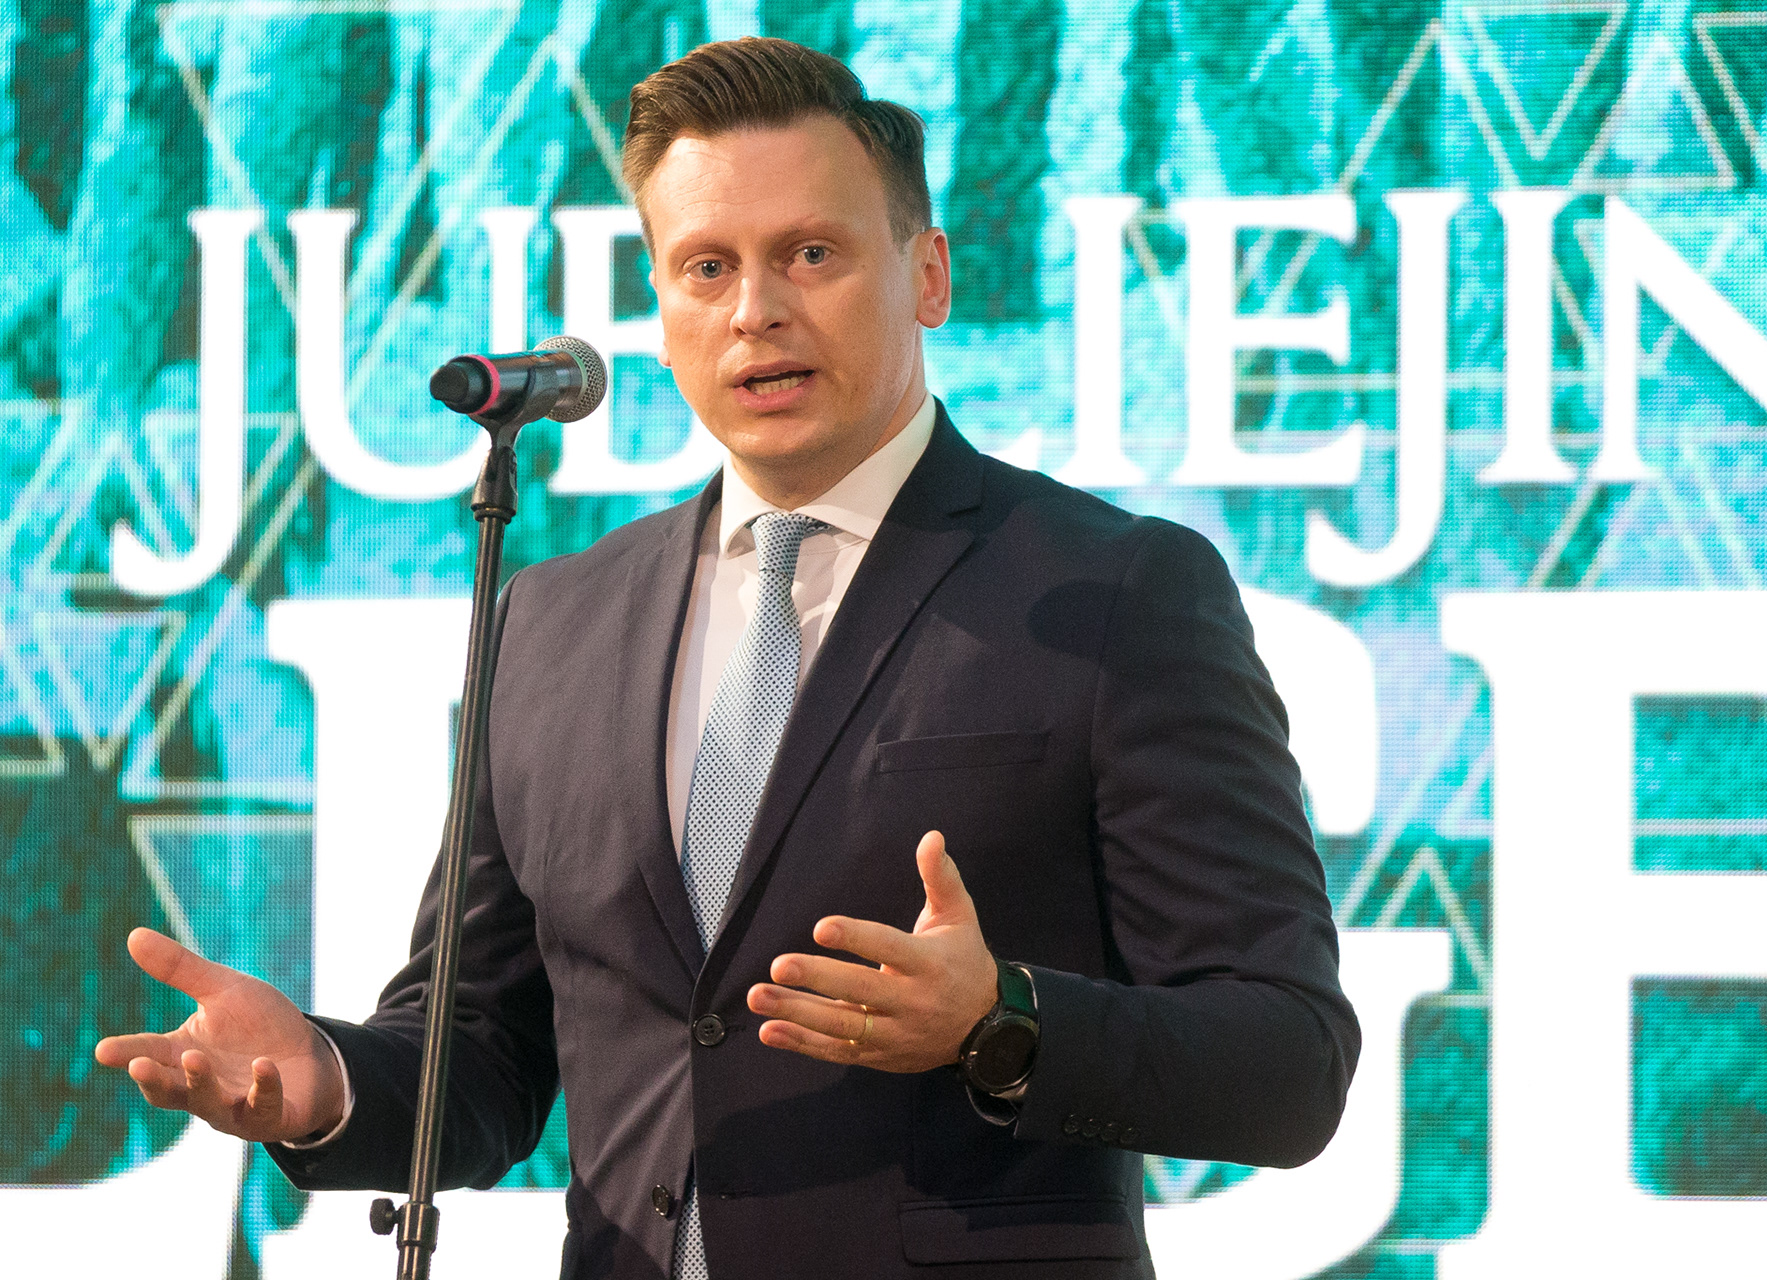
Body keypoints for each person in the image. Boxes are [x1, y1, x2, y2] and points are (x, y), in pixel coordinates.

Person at [95, 37, 1358, 1279]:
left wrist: (1000, 1017)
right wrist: (324, 1080)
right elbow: (479, 1051)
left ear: (927, 274)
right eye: (708, 266)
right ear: (660, 305)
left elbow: (1290, 1059)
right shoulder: (549, 621)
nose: (757, 309)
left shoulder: (1116, 591)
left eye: (811, 253)